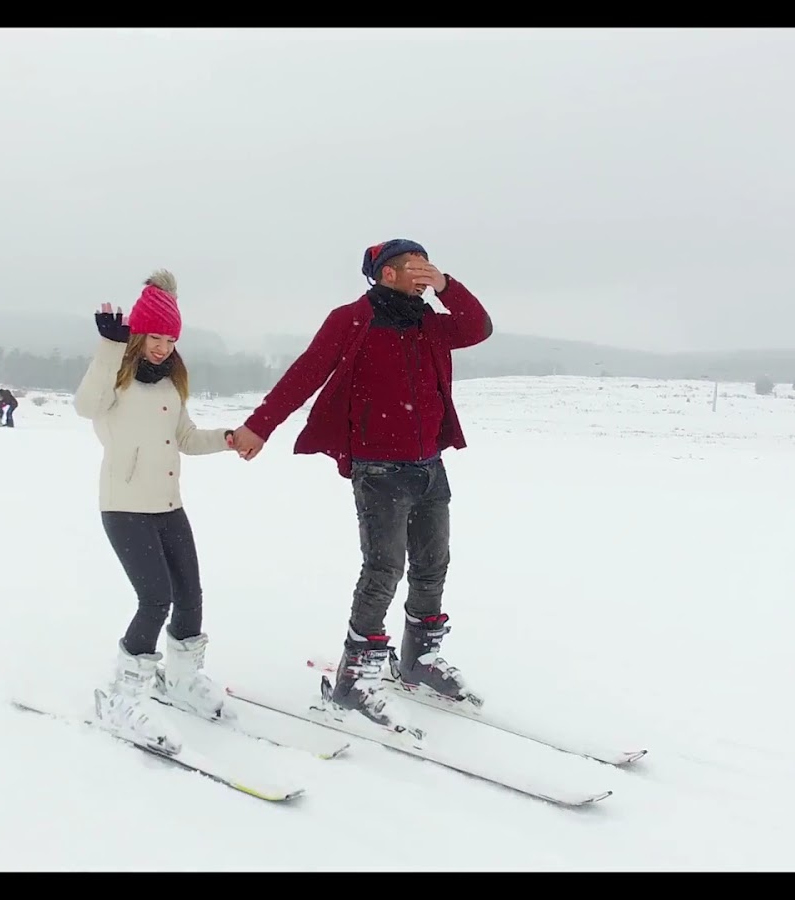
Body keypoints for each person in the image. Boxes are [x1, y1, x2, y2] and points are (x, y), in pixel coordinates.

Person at [228, 239, 493, 731]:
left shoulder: (429, 322)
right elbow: (304, 374)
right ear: (385, 274)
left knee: (433, 563)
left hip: (429, 463)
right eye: (412, 266)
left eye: (426, 265)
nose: (422, 272)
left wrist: (446, 285)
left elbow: (478, 327)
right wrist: (259, 426)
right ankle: (355, 676)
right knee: (384, 569)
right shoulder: (351, 319)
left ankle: (418, 660)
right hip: (378, 469)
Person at [73, 269, 238, 753]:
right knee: (155, 598)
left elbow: (185, 439)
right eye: (155, 337)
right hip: (124, 506)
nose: (163, 348)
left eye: (170, 339)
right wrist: (108, 347)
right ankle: (122, 697)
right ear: (138, 335)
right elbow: (85, 406)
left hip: (168, 506)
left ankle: (181, 680)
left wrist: (229, 439)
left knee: (190, 593)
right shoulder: (114, 382)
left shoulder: (170, 387)